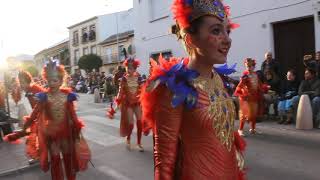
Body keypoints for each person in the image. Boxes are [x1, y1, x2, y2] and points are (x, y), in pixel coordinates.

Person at [140, 0, 246, 179]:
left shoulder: (219, 79)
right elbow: (164, 162)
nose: (227, 39)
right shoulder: (174, 88)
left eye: (227, 31)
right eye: (216, 31)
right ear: (190, 38)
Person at [5, 60, 91, 180]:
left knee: (68, 159)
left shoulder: (68, 96)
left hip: (66, 134)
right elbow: (34, 114)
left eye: (55, 80)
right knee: (55, 160)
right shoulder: (44, 97)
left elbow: (73, 116)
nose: (52, 83)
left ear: (61, 81)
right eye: (49, 80)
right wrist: (23, 129)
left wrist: (77, 131)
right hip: (52, 134)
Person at [17, 70, 45, 164]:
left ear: (28, 81)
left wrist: (30, 120)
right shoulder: (30, 90)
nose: (21, 85)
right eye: (20, 82)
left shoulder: (34, 90)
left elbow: (39, 107)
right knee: (38, 136)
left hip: (45, 115)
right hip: (39, 115)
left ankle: (40, 156)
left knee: (37, 136)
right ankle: (40, 155)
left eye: (23, 82)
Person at [115, 58, 144, 151]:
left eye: (132, 68)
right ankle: (128, 139)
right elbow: (120, 92)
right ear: (126, 68)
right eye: (128, 68)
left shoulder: (139, 77)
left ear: (135, 68)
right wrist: (116, 105)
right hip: (128, 103)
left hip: (137, 102)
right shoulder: (124, 78)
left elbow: (143, 89)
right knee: (131, 124)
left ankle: (139, 143)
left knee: (140, 122)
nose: (130, 70)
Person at [235, 58, 268, 136]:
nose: (248, 68)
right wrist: (242, 94)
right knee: (244, 114)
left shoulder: (256, 75)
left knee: (254, 114)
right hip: (246, 99)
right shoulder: (245, 77)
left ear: (254, 67)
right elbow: (239, 87)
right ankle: (240, 130)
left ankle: (252, 129)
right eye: (247, 66)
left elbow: (259, 85)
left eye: (250, 66)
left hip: (255, 98)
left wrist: (265, 87)